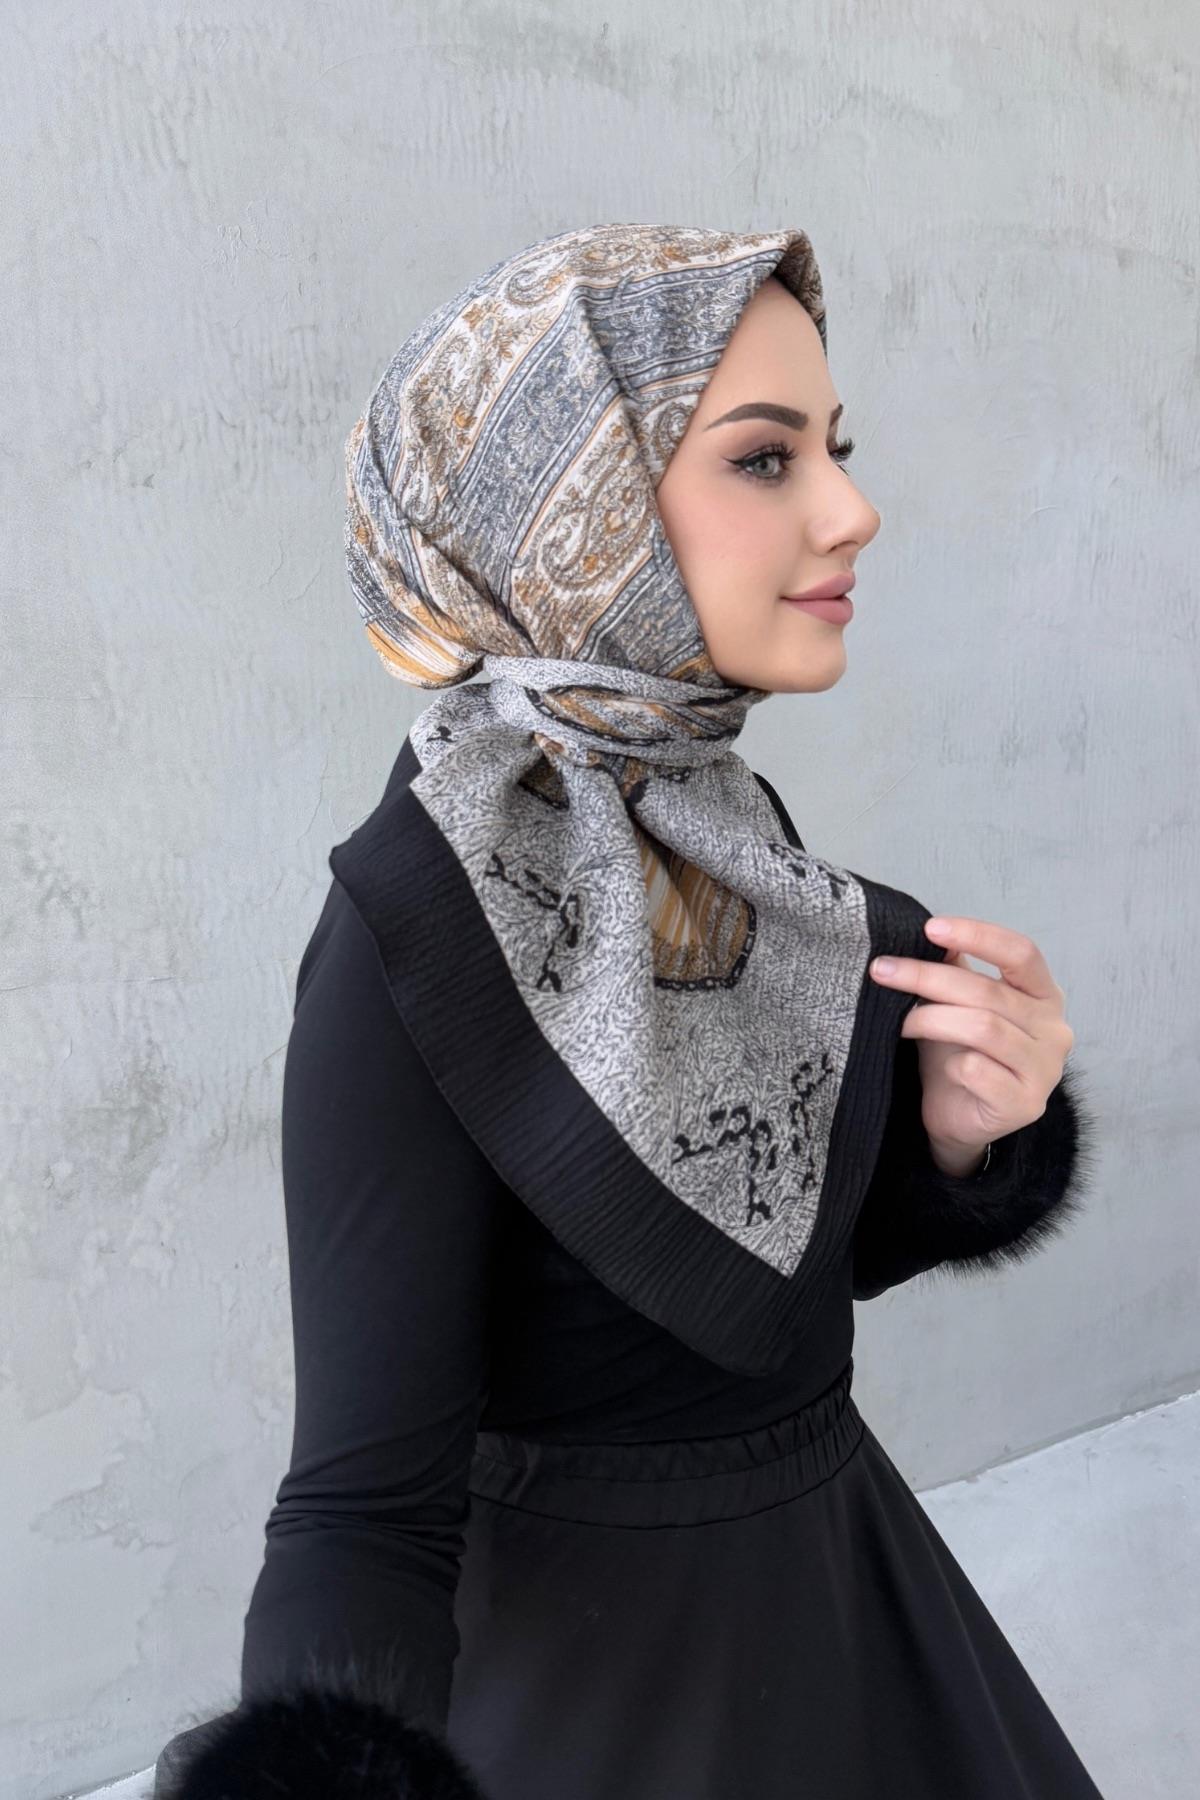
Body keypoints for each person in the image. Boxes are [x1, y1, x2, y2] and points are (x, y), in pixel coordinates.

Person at [156, 224, 1104, 1798]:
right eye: (765, 459)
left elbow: (726, 1278)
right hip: (612, 1705)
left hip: (839, 1602)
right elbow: (360, 1514)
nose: (851, 510)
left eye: (837, 449)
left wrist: (959, 1146)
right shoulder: (420, 922)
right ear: (570, 509)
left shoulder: (718, 822)